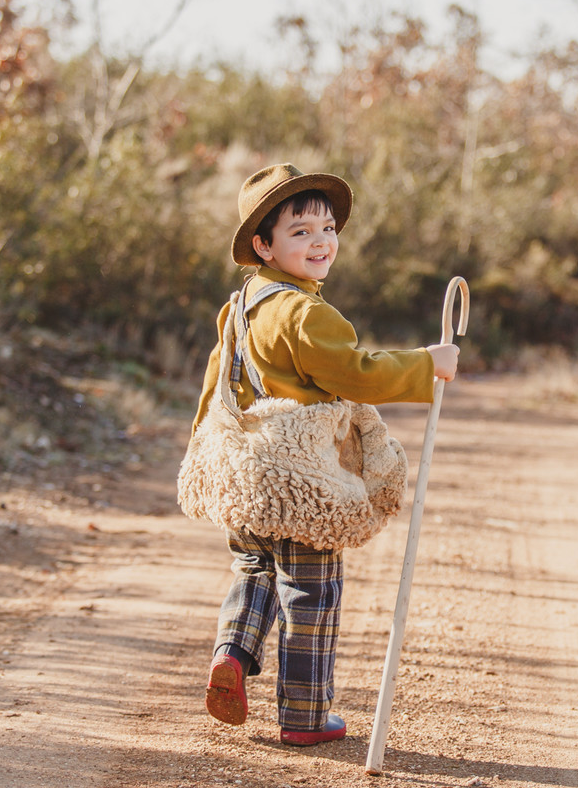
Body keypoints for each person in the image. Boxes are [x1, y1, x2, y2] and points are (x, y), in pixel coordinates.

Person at [191, 163, 459, 746]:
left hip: (247, 470)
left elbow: (218, 381)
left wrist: (203, 449)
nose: (320, 241)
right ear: (263, 245)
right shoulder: (306, 313)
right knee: (312, 590)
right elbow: (354, 374)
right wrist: (425, 365)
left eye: (328, 228)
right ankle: (305, 717)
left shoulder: (240, 306)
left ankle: (232, 653)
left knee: (255, 568)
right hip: (302, 475)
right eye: (300, 231)